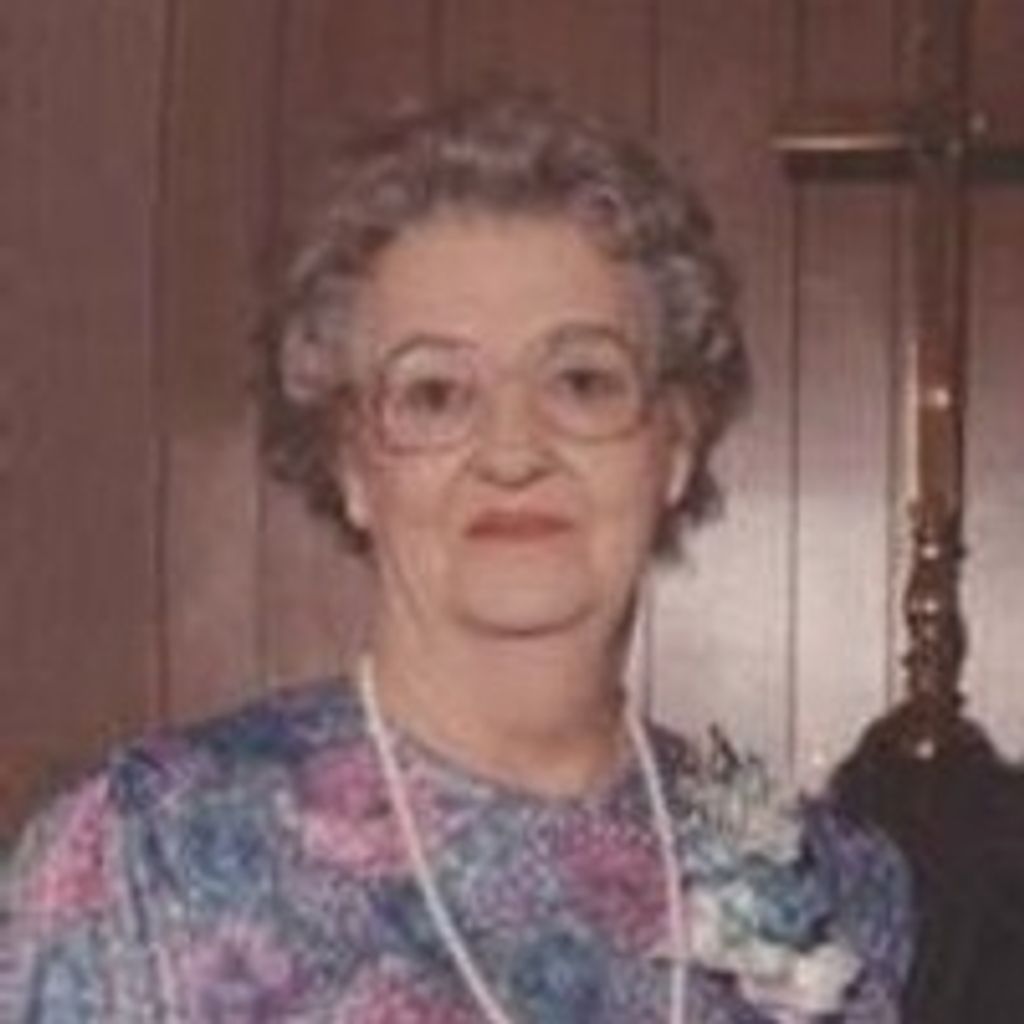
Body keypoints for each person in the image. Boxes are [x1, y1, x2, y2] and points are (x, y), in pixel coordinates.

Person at [3, 90, 913, 1022]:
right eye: (436, 393)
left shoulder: (828, 887)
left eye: (582, 381)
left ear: (674, 445)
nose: (512, 452)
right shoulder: (146, 855)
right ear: (351, 464)